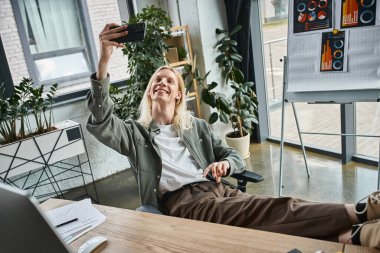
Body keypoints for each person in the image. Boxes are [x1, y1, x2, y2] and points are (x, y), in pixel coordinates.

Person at [86, 23, 380, 249]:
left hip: (220, 189)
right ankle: (359, 211)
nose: (161, 82)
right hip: (186, 204)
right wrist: (103, 62)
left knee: (263, 225)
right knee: (268, 209)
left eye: (169, 80)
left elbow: (234, 156)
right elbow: (101, 121)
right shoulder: (134, 134)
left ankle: (350, 236)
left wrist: (226, 166)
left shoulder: (196, 127)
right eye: (156, 80)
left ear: (178, 95)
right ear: (150, 92)